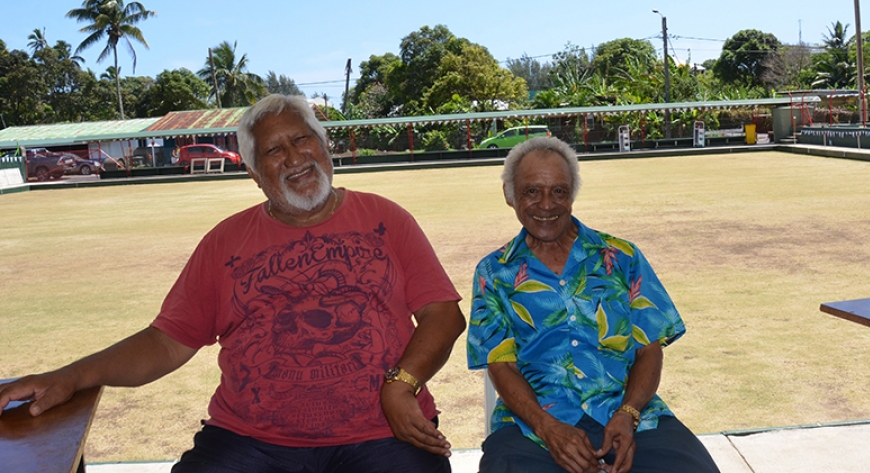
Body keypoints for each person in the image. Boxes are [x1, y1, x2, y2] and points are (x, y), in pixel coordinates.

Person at [0, 94, 466, 473]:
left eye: (302, 139)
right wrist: (70, 376)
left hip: (383, 434)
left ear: (325, 145)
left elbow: (443, 314)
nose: (293, 158)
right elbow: (166, 342)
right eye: (273, 151)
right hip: (250, 441)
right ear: (253, 174)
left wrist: (400, 386)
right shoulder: (225, 242)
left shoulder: (387, 219)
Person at [467, 137, 719, 473]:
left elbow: (649, 349)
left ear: (571, 194)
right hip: (532, 426)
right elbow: (502, 366)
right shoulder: (493, 272)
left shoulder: (622, 257)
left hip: (630, 416)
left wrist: (628, 413)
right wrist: (547, 428)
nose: (546, 204)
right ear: (510, 195)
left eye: (559, 191)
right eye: (532, 191)